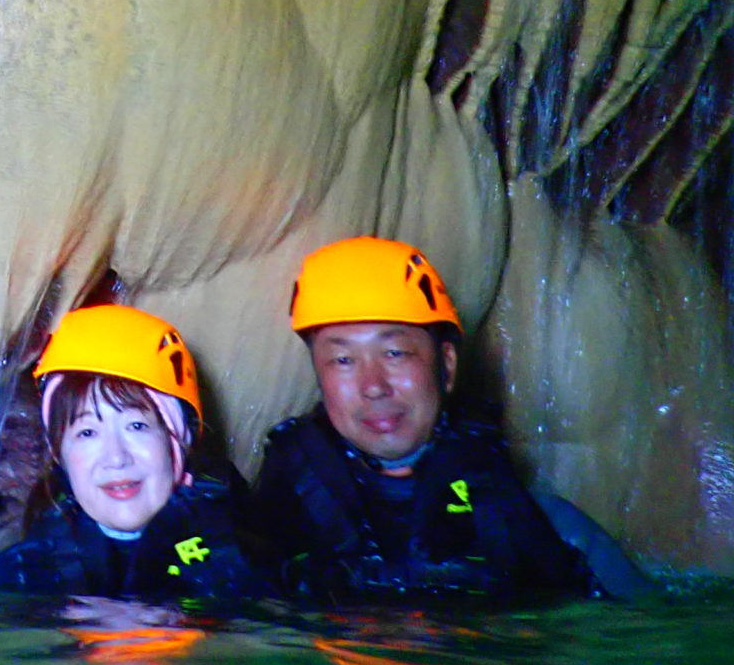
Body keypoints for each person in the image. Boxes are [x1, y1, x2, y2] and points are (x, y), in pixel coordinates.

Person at [253, 236, 648, 604]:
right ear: (320, 379)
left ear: (446, 364)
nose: (373, 386)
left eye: (395, 354)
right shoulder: (266, 535)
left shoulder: (550, 531)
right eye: (342, 360)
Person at [0, 303, 270, 599]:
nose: (116, 459)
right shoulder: (24, 574)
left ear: (177, 441)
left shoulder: (246, 567)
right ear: (60, 455)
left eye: (137, 426)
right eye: (87, 433)